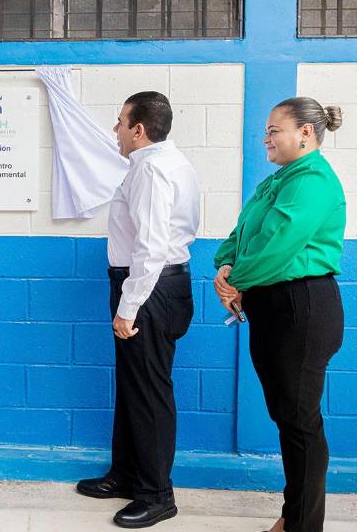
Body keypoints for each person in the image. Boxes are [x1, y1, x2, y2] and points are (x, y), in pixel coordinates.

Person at [213, 97, 346, 532]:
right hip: (274, 306)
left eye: (274, 130)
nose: (266, 138)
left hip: (301, 307)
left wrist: (237, 281)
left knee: (300, 423)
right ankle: (294, 516)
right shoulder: (280, 180)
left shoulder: (312, 181)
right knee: (289, 419)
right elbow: (243, 233)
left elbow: (277, 244)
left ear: (305, 133)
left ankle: (301, 524)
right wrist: (226, 265)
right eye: (266, 131)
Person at [76, 92, 200, 528]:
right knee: (134, 387)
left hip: (148, 288)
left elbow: (151, 247)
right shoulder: (167, 163)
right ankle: (127, 475)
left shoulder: (151, 169)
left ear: (139, 130)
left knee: (148, 392)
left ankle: (156, 495)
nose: (116, 130)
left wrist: (129, 306)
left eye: (120, 122)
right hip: (156, 286)